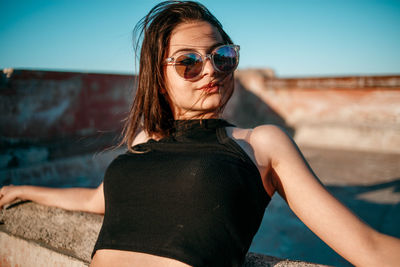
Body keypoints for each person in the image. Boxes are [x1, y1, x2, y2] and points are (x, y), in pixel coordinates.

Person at [1, 1, 400, 266]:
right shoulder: (144, 141)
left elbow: (368, 248)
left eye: (222, 57)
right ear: (158, 78)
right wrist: (23, 190)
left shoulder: (260, 143)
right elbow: (95, 200)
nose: (210, 70)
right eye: (189, 62)